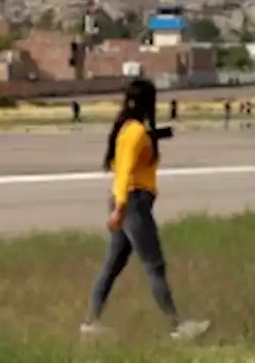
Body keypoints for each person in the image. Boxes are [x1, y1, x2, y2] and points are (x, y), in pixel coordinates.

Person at [81, 79, 209, 340]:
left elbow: (123, 166)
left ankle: (91, 324)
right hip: (132, 203)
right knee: (154, 266)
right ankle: (177, 326)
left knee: (112, 265)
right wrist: (119, 208)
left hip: (127, 201)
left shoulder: (127, 129)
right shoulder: (136, 132)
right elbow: (126, 171)